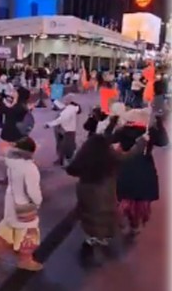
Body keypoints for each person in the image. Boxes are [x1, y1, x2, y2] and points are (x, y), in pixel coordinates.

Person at [66, 133, 148, 263]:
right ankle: (100, 242)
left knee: (88, 214)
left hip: (85, 190)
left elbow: (71, 169)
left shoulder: (85, 155)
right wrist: (142, 141)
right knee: (104, 215)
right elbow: (128, 156)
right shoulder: (110, 156)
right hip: (103, 191)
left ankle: (91, 240)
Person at [0, 137, 43, 271]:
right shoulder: (29, 168)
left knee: (10, 224)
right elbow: (32, 191)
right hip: (24, 205)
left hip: (11, 201)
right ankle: (25, 261)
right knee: (29, 234)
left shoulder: (12, 162)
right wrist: (38, 202)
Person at [113, 109, 161, 237]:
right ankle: (135, 224)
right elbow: (164, 141)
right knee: (140, 200)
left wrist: (113, 122)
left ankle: (123, 218)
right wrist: (159, 123)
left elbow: (110, 138)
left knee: (125, 196)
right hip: (144, 167)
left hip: (126, 166)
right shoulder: (149, 132)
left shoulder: (122, 131)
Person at [0, 87, 31, 185]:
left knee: (12, 156)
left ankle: (12, 177)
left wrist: (0, 102)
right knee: (13, 155)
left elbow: (8, 112)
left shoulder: (19, 107)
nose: (13, 93)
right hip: (15, 133)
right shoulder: (20, 105)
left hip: (14, 134)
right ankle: (11, 176)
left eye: (15, 92)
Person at [45, 94, 81, 166]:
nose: (64, 101)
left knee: (67, 146)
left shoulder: (69, 110)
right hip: (63, 129)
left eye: (66, 100)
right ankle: (61, 159)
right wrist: (54, 100)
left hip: (66, 130)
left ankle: (68, 162)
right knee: (61, 145)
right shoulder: (69, 107)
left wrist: (49, 124)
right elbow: (60, 105)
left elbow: (60, 119)